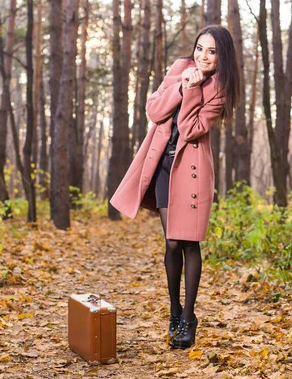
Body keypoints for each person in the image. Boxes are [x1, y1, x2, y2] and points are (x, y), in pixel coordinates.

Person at [110, 25, 241, 349]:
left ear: (222, 55)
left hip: (192, 171)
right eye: (200, 48)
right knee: (171, 243)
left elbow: (191, 129)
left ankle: (189, 318)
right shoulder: (180, 69)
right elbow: (154, 110)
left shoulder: (221, 88)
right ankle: (174, 310)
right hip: (163, 166)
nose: (203, 56)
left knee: (189, 244)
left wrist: (194, 91)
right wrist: (182, 87)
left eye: (211, 51)